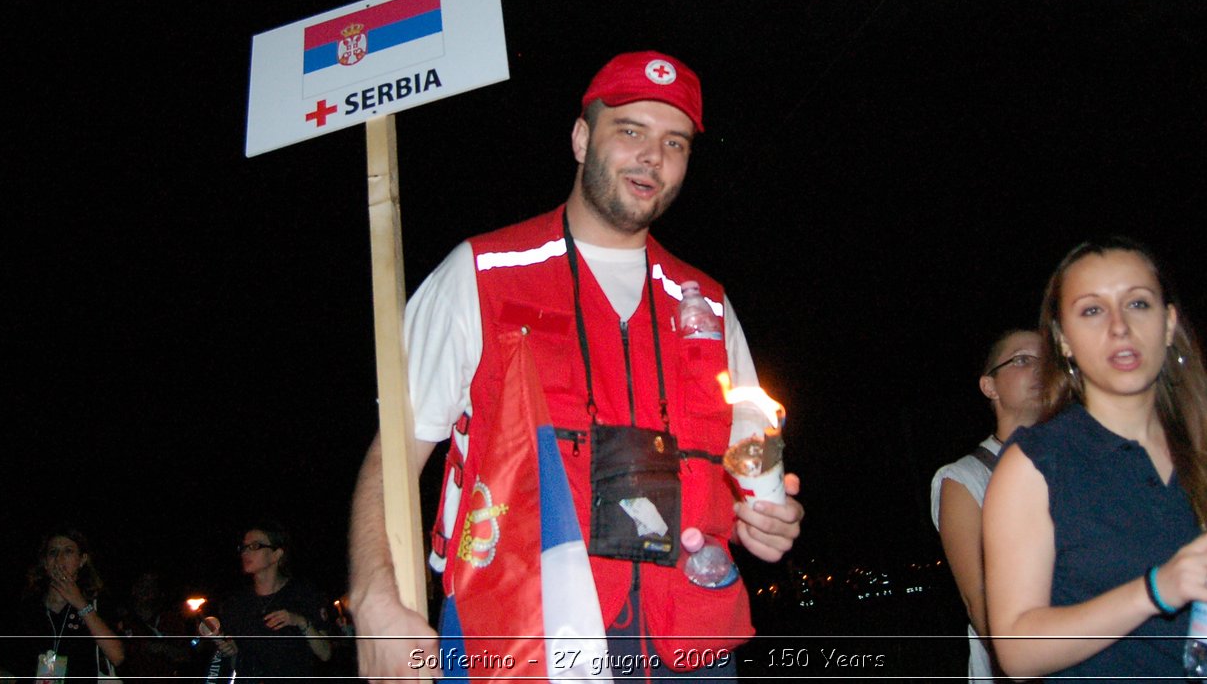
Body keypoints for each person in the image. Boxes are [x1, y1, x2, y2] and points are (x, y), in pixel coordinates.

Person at [347, 51, 805, 680]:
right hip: (524, 642)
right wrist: (374, 596)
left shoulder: (709, 304)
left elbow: (750, 464)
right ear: (582, 137)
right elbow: (392, 454)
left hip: (690, 653)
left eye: (675, 142)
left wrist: (766, 520)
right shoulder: (479, 275)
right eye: (631, 131)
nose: (653, 157)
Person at [983, 239, 1207, 679]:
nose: (1119, 326)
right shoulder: (1036, 463)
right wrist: (1157, 590)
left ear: (1168, 324)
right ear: (1063, 340)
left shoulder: (1206, 447)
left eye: (1138, 303)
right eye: (1092, 310)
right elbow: (1017, 653)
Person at [929, 328, 1044, 682]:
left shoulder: (1078, 459)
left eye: (1049, 361)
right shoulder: (965, 477)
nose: (1041, 370)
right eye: (1022, 360)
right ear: (989, 387)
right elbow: (979, 600)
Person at [0, 526, 126, 682]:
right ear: (44, 562)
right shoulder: (26, 611)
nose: (59, 559)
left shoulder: (97, 604)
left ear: (82, 560)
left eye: (68, 551)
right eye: (53, 552)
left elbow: (117, 656)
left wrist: (80, 603)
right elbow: (9, 677)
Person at [209, 522, 333, 684]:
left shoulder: (303, 594)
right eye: (244, 547)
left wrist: (300, 621)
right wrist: (231, 653)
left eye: (255, 546)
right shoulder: (236, 604)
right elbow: (237, 668)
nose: (246, 552)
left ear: (276, 554)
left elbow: (325, 654)